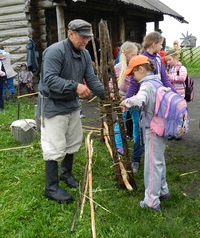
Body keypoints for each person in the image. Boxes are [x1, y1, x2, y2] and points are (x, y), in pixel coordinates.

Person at [37, 19, 105, 203]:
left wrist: (107, 96)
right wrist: (75, 86)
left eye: (88, 38)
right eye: (83, 37)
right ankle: (50, 188)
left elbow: (91, 79)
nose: (86, 41)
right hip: (53, 105)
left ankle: (65, 175)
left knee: (72, 141)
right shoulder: (55, 51)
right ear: (70, 33)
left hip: (71, 105)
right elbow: (49, 80)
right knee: (54, 146)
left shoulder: (84, 55)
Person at [121, 55, 170, 212]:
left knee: (151, 165)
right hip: (162, 126)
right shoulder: (157, 81)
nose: (133, 77)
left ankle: (151, 201)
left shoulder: (147, 85)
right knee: (159, 160)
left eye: (133, 73)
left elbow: (140, 100)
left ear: (141, 69)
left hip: (153, 129)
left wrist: (126, 102)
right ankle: (163, 190)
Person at [126, 31, 177, 173]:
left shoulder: (159, 59)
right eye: (160, 44)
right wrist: (127, 100)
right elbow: (133, 84)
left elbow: (165, 80)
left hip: (157, 103)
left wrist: (175, 96)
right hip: (142, 102)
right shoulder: (141, 59)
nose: (161, 47)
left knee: (155, 131)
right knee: (140, 132)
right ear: (154, 43)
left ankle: (154, 161)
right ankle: (136, 160)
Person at [109, 41, 138, 155]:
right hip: (122, 99)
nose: (135, 57)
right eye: (133, 55)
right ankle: (119, 145)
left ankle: (137, 143)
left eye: (136, 54)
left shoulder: (136, 66)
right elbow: (112, 82)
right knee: (120, 121)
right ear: (125, 54)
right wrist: (112, 93)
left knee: (136, 121)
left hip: (134, 98)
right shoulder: (118, 67)